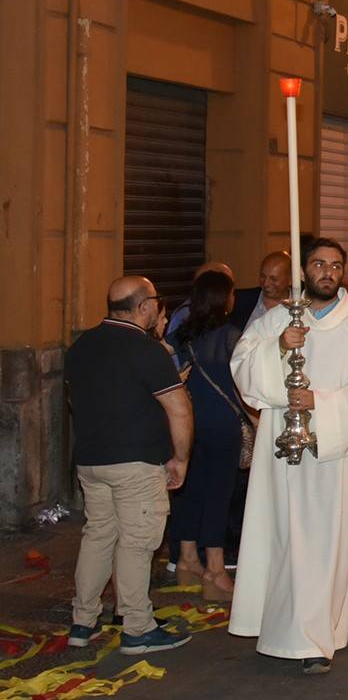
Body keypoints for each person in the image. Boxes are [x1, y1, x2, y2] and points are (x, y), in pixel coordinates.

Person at [229, 238, 348, 675]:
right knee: (283, 538)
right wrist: (279, 348)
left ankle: (317, 637)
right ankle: (281, 627)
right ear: (304, 272)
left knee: (324, 544)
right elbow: (241, 366)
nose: (327, 272)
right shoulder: (277, 320)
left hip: (336, 454)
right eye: (319, 264)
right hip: (281, 453)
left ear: (343, 273)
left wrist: (318, 401)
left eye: (336, 266)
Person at [66, 276, 195, 654]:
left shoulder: (81, 346)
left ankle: (83, 622)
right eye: (156, 301)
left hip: (91, 461)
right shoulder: (147, 351)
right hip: (135, 463)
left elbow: (80, 402)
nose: (159, 308)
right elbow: (179, 410)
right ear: (144, 307)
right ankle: (137, 627)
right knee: (138, 543)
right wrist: (181, 459)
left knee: (98, 537)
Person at [168, 269, 246, 603]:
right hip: (223, 424)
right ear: (224, 299)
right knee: (219, 494)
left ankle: (187, 560)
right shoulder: (232, 335)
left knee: (189, 492)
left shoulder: (180, 336)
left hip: (187, 423)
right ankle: (215, 568)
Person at [230, 250, 293, 332]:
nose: (266, 284)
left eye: (273, 279)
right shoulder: (239, 300)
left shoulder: (303, 307)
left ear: (290, 279)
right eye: (262, 276)